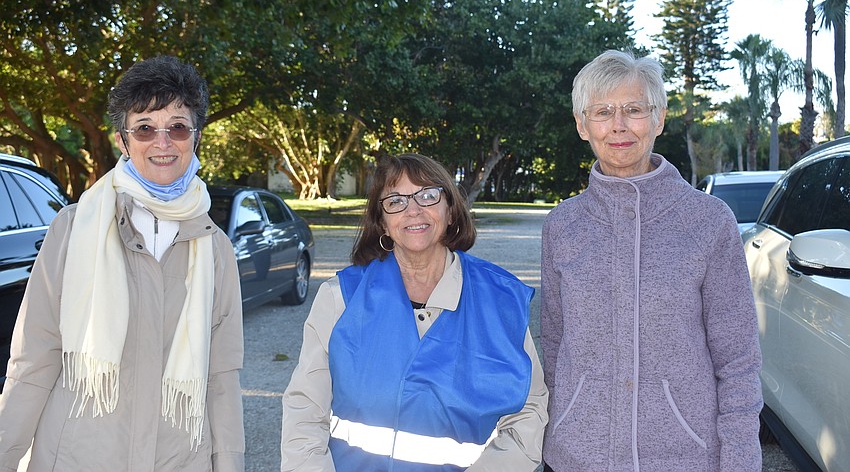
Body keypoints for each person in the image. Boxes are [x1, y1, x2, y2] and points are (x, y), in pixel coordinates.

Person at [0, 56, 245, 471]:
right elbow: (34, 358)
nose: (162, 142)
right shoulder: (74, 228)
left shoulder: (215, 247)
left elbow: (221, 377)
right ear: (122, 140)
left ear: (195, 137)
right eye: (145, 128)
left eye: (178, 127)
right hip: (79, 458)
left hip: (178, 459)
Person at [540, 50, 763, 471]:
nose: (619, 125)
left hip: (683, 458)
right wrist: (564, 422)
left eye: (634, 109)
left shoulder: (709, 221)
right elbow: (555, 342)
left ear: (659, 119)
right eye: (602, 111)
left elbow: (738, 359)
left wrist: (739, 458)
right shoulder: (562, 225)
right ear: (582, 125)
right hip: (577, 459)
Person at [280, 153, 548, 471]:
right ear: (382, 221)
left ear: (450, 211)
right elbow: (305, 413)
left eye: (428, 195)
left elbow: (528, 412)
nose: (413, 210)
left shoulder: (501, 300)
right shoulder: (340, 298)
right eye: (395, 200)